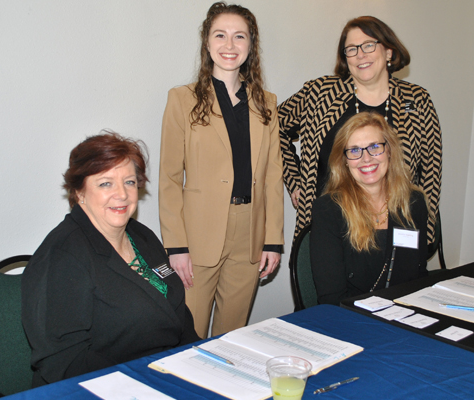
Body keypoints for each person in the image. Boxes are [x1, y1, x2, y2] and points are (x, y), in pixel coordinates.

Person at [21, 132, 199, 387]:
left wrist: (202, 361)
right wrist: (145, 382)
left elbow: (179, 318)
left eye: (129, 182)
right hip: (106, 387)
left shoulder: (142, 237)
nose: (122, 194)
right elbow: (64, 363)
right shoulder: (62, 256)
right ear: (79, 191)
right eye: (105, 183)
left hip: (164, 373)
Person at [158, 2, 283, 339]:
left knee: (232, 338)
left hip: (250, 233)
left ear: (250, 45)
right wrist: (176, 246)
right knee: (189, 335)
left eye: (239, 36)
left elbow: (272, 177)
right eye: (221, 35)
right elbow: (169, 178)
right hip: (198, 234)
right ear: (207, 42)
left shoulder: (266, 103)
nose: (230, 45)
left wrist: (273, 240)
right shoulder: (182, 100)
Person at [278, 16, 442, 247]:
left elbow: (431, 174)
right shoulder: (319, 93)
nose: (360, 55)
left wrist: (425, 235)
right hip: (330, 230)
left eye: (368, 45)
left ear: (389, 52)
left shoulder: (417, 101)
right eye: (351, 49)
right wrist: (294, 180)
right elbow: (272, 127)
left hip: (395, 230)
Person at [311, 112, 428, 306]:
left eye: (375, 147)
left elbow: (419, 278)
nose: (366, 158)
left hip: (404, 316)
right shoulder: (328, 211)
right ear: (345, 161)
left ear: (389, 151)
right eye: (355, 150)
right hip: (352, 319)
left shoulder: (413, 204)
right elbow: (331, 298)